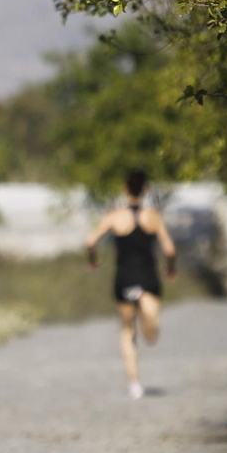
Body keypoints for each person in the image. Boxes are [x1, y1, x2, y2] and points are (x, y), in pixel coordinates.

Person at [84, 170, 178, 399]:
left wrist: (93, 259)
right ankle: (148, 319)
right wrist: (171, 268)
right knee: (151, 333)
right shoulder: (153, 216)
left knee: (127, 331)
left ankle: (134, 383)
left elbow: (90, 241)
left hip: (124, 277)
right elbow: (169, 249)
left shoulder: (114, 216)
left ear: (125, 189)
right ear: (145, 189)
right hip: (148, 277)